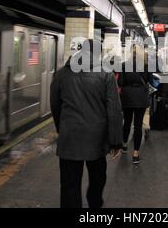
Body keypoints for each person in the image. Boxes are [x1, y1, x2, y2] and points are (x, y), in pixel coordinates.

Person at [50, 39, 123, 209]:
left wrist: (63, 130)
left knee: (69, 185)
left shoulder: (61, 74)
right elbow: (114, 110)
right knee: (97, 179)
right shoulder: (106, 74)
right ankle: (94, 204)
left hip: (70, 136)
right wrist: (115, 142)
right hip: (96, 139)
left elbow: (55, 106)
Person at [118, 46, 151, 165]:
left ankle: (125, 145)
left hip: (127, 97)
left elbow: (120, 82)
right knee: (138, 125)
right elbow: (149, 81)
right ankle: (136, 154)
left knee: (127, 122)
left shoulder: (124, 65)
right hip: (141, 98)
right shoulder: (146, 66)